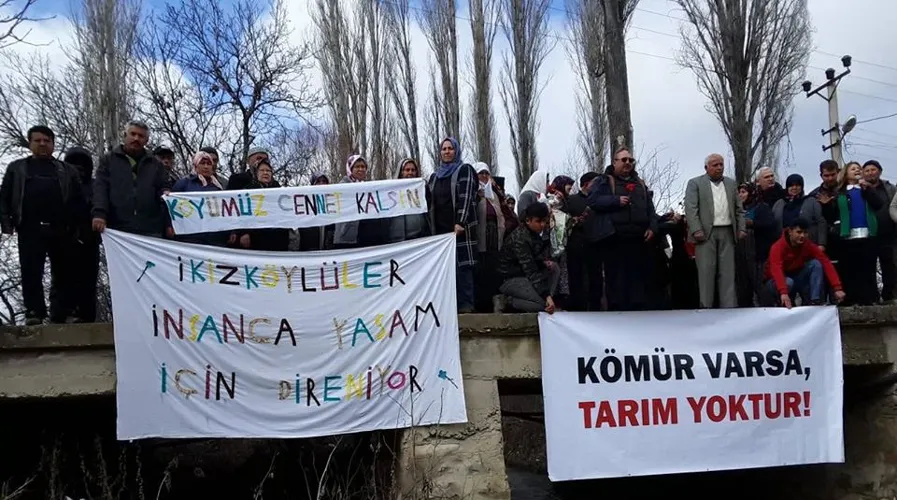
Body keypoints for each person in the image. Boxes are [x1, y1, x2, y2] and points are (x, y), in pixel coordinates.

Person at [0, 126, 83, 325]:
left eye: (47, 140)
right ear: (30, 143)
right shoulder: (17, 168)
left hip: (61, 228)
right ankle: (34, 312)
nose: (43, 144)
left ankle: (62, 313)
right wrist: (6, 223)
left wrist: (77, 227)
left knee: (64, 272)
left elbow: (78, 200)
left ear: (53, 144)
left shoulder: (67, 170)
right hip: (29, 228)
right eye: (38, 140)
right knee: (31, 271)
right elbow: (4, 197)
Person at [586, 147, 657, 311]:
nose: (627, 163)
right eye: (624, 160)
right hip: (615, 239)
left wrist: (652, 227)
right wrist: (615, 201)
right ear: (614, 162)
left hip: (639, 240)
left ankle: (637, 312)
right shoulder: (604, 181)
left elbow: (650, 208)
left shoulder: (640, 183)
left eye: (630, 160)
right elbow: (593, 201)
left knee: (638, 282)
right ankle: (617, 314)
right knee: (616, 282)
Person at [684, 153, 746, 309]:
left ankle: (729, 308)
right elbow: (691, 209)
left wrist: (741, 228)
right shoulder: (695, 183)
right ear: (706, 168)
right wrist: (696, 229)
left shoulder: (731, 184)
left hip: (728, 232)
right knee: (706, 273)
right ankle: (706, 308)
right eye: (715, 165)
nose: (719, 168)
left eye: (721, 164)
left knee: (728, 273)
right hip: (705, 234)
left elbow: (739, 209)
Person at [92, 121, 172, 237]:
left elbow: (164, 187)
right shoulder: (109, 160)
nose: (136, 138)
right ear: (125, 135)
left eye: (141, 136)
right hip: (117, 227)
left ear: (146, 141)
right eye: (133, 134)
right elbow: (101, 188)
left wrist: (165, 193)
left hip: (150, 228)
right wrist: (99, 214)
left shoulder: (155, 164)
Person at [428, 137, 478, 313]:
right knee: (445, 270)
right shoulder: (434, 177)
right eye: (444, 149)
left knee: (463, 267)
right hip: (440, 231)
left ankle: (466, 306)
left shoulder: (464, 170)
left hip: (460, 230)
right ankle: (449, 307)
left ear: (456, 151)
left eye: (450, 148)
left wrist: (460, 222)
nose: (447, 152)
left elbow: (466, 197)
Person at [765, 217, 845, 308]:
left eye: (805, 232)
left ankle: (814, 301)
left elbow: (826, 262)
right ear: (790, 231)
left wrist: (837, 288)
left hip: (796, 276)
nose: (802, 236)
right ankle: (781, 302)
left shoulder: (808, 245)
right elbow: (776, 270)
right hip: (777, 281)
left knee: (816, 264)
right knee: (788, 282)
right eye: (799, 232)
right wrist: (783, 292)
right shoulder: (777, 247)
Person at [835, 161, 883, 305]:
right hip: (848, 236)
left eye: (858, 168)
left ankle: (870, 298)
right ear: (846, 174)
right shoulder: (840, 192)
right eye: (853, 169)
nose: (857, 170)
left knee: (868, 268)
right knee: (851, 269)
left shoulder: (866, 189)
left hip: (867, 234)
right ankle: (851, 299)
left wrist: (867, 189)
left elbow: (878, 204)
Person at [496, 202, 557, 313]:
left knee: (554, 268)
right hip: (510, 279)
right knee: (541, 305)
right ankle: (507, 301)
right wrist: (546, 296)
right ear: (528, 220)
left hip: (524, 276)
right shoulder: (520, 238)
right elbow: (531, 270)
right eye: (538, 221)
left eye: (544, 221)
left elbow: (537, 260)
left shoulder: (535, 234)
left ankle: (549, 302)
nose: (542, 225)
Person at [62, 147, 100, 322]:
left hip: (89, 239)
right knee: (63, 279)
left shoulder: (95, 186)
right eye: (74, 165)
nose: (78, 169)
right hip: (63, 238)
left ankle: (87, 316)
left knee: (89, 280)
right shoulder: (61, 185)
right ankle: (61, 314)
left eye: (82, 165)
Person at [564, 172, 609, 311]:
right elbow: (561, 222)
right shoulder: (571, 200)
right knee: (577, 280)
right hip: (576, 247)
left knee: (596, 280)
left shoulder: (600, 201)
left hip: (596, 246)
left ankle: (596, 309)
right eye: (595, 182)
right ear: (586, 184)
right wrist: (574, 221)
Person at [170, 151, 228, 247]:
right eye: (202, 163)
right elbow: (171, 207)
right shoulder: (184, 184)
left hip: (215, 238)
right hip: (190, 236)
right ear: (196, 165)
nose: (206, 167)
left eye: (209, 164)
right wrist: (169, 225)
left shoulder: (218, 187)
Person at [233, 159, 289, 251]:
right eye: (262, 170)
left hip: (278, 237)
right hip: (256, 237)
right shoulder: (248, 190)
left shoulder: (280, 191)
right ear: (256, 173)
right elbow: (242, 214)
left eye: (268, 171)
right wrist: (244, 232)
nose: (265, 173)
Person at [472, 162, 506, 312]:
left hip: (494, 236)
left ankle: (494, 302)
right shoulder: (474, 191)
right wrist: (477, 197)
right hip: (481, 235)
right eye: (481, 173)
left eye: (487, 173)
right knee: (481, 271)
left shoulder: (494, 194)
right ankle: (482, 305)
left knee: (494, 270)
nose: (484, 176)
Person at [333, 155, 385, 249]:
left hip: (365, 237)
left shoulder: (369, 187)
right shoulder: (341, 187)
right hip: (346, 237)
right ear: (350, 169)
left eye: (363, 167)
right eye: (357, 166)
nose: (361, 169)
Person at [864, 159, 897, 303]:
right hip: (868, 236)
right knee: (869, 268)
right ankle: (873, 298)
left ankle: (889, 296)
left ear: (880, 171)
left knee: (890, 266)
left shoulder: (890, 188)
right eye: (867, 171)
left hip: (889, 234)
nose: (870, 173)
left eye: (873, 170)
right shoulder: (861, 189)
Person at [772, 174, 827, 246]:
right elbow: (773, 224)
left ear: (802, 186)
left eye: (797, 185)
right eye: (791, 185)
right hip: (784, 245)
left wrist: (822, 244)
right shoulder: (779, 204)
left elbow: (821, 222)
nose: (794, 188)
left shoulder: (811, 201)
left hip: (808, 244)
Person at [388, 158, 431, 243]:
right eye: (407, 170)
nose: (410, 172)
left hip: (420, 237)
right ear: (401, 172)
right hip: (398, 239)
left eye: (413, 170)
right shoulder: (392, 189)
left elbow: (430, 206)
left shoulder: (422, 187)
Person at [298, 172, 334, 251]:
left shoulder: (333, 202)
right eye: (318, 181)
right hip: (309, 250)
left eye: (324, 181)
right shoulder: (305, 203)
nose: (321, 184)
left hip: (328, 250)